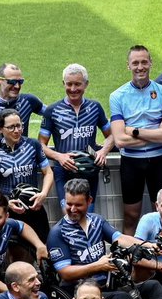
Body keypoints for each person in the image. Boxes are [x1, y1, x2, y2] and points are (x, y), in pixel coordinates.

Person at [47, 177, 162, 299]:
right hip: (81, 292)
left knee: (152, 286)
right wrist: (98, 265)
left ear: (89, 201)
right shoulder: (58, 233)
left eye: (78, 205)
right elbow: (65, 272)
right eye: (69, 204)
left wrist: (149, 246)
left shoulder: (96, 221)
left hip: (107, 285)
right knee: (123, 298)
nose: (72, 209)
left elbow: (120, 238)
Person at [110, 45, 162, 236]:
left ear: (150, 63)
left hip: (159, 161)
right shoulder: (117, 96)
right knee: (131, 215)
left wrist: (135, 131)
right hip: (131, 162)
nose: (140, 67)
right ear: (128, 66)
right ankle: (129, 259)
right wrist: (158, 134)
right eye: (135, 63)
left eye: (144, 62)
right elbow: (120, 140)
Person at [38, 63, 113, 204]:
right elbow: (40, 144)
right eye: (69, 84)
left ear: (86, 84)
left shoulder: (95, 107)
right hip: (63, 171)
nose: (73, 89)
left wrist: (103, 151)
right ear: (63, 84)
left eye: (77, 84)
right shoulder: (52, 111)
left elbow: (111, 135)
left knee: (87, 215)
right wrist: (59, 156)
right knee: (68, 214)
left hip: (89, 172)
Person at [0, 107, 53, 244]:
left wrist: (43, 193)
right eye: (11, 127)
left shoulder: (33, 145)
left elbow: (48, 172)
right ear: (0, 129)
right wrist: (5, 202)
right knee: (13, 252)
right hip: (9, 210)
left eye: (19, 126)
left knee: (44, 248)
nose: (17, 130)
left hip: (34, 206)